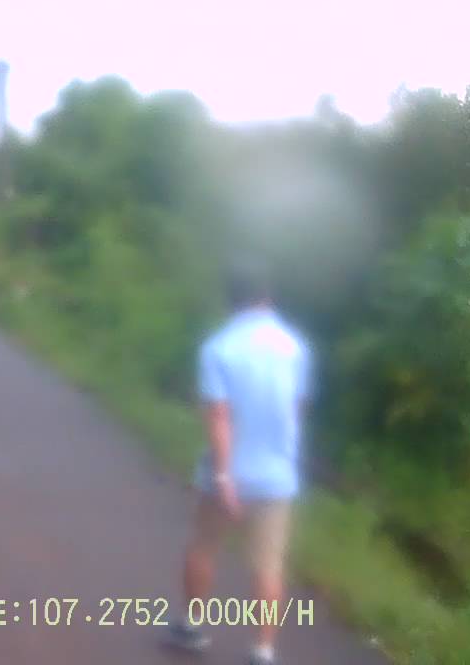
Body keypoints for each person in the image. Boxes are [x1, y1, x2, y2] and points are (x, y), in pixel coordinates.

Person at [163, 260, 312, 665]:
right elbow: (297, 408)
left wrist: (225, 475)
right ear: (268, 295)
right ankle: (262, 650)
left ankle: (192, 627)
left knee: (204, 547)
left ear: (229, 299)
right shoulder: (294, 347)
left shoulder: (219, 348)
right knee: (269, 565)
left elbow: (219, 415)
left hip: (227, 475)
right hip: (277, 475)